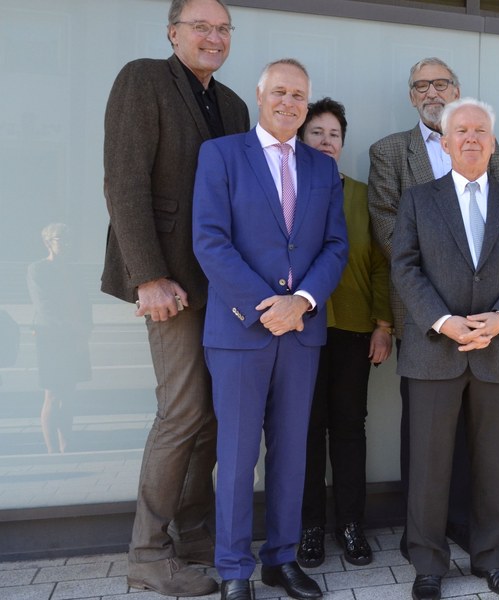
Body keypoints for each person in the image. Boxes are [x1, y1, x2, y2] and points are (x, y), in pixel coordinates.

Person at [101, 0, 249, 594]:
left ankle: (193, 536)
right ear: (173, 33)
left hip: (219, 282)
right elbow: (124, 179)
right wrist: (147, 277)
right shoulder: (143, 78)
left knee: (210, 419)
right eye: (201, 27)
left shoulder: (234, 104)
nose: (213, 37)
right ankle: (146, 552)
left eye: (222, 29)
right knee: (183, 410)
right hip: (168, 282)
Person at [192, 59, 348, 600]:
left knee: (292, 452)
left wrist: (301, 301)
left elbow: (335, 246)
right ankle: (235, 570)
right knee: (236, 456)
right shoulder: (221, 155)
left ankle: (280, 561)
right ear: (260, 97)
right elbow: (210, 241)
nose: (289, 102)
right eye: (279, 91)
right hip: (240, 332)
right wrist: (267, 307)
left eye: (299, 95)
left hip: (301, 332)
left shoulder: (323, 168)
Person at [391, 97, 499, 600]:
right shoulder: (418, 199)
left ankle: (491, 558)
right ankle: (428, 563)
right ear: (447, 141)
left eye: (480, 131)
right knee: (429, 465)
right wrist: (444, 322)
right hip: (435, 350)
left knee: (489, 461)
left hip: (495, 352)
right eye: (462, 131)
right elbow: (404, 267)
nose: (471, 138)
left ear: (492, 142)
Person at [367, 56, 499, 557]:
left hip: (485, 321)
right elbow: (387, 230)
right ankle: (422, 535)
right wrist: (441, 306)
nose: (431, 92)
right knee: (424, 434)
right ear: (411, 96)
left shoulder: (488, 146)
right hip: (423, 316)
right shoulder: (388, 151)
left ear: (456, 89)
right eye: (421, 85)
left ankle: (467, 526)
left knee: (477, 435)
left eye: (440, 83)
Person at [295, 98, 393, 569]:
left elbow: (378, 265)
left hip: (355, 330)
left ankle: (351, 525)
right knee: (307, 432)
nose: (326, 141)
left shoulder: (360, 194)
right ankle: (309, 527)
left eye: (334, 134)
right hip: (299, 333)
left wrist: (383, 325)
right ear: (300, 138)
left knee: (350, 430)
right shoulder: (288, 190)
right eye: (316, 133)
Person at [28, 223, 92, 454]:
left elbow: (85, 303)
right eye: (59, 239)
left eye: (68, 239)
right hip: (52, 338)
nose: (65, 243)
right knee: (53, 394)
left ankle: (67, 448)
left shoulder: (74, 270)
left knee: (69, 394)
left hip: (75, 338)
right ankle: (52, 451)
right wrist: (73, 327)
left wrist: (86, 328)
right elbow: (44, 306)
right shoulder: (38, 269)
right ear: (47, 242)